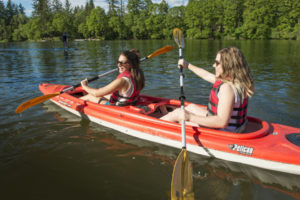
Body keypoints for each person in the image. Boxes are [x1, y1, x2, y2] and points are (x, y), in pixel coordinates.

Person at [161, 47, 254, 133]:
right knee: (191, 107)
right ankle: (167, 118)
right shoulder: (238, 82)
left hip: (223, 132)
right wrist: (188, 65)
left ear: (228, 66)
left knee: (177, 114)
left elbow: (222, 122)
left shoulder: (227, 88)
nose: (214, 65)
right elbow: (206, 75)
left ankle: (154, 126)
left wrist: (190, 117)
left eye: (217, 63)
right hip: (235, 127)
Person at [80, 49, 145, 106]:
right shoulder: (138, 74)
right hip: (129, 102)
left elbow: (97, 93)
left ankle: (71, 104)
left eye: (122, 63)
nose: (119, 65)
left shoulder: (122, 80)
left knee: (90, 96)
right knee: (106, 95)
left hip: (118, 106)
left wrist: (85, 86)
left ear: (131, 64)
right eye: (118, 62)